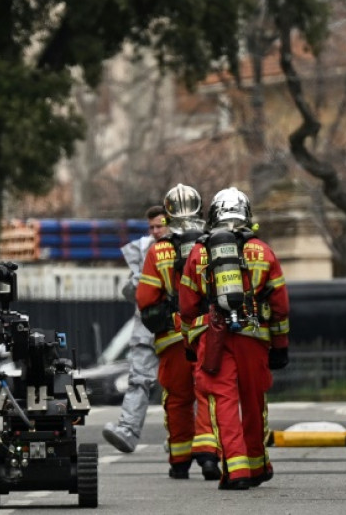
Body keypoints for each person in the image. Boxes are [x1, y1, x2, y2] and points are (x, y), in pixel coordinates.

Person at [179, 187, 290, 490]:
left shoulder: (199, 253)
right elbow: (280, 305)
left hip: (212, 338)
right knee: (253, 401)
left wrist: (191, 344)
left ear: (213, 216)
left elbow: (187, 305)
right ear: (247, 215)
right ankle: (257, 465)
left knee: (223, 402)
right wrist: (280, 347)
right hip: (254, 337)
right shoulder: (264, 252)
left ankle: (236, 470)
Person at [134, 184, 220, 480]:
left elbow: (146, 300)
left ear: (167, 215)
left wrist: (167, 320)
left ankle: (180, 460)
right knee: (208, 393)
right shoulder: (211, 245)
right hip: (208, 333)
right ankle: (209, 455)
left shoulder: (158, 252)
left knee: (177, 398)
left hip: (173, 338)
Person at [102, 205, 169, 453]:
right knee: (138, 379)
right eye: (151, 227)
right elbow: (132, 292)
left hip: (174, 326)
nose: (155, 231)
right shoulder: (143, 249)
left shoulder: (180, 247)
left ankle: (183, 439)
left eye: (159, 225)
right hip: (147, 325)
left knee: (180, 385)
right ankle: (128, 431)